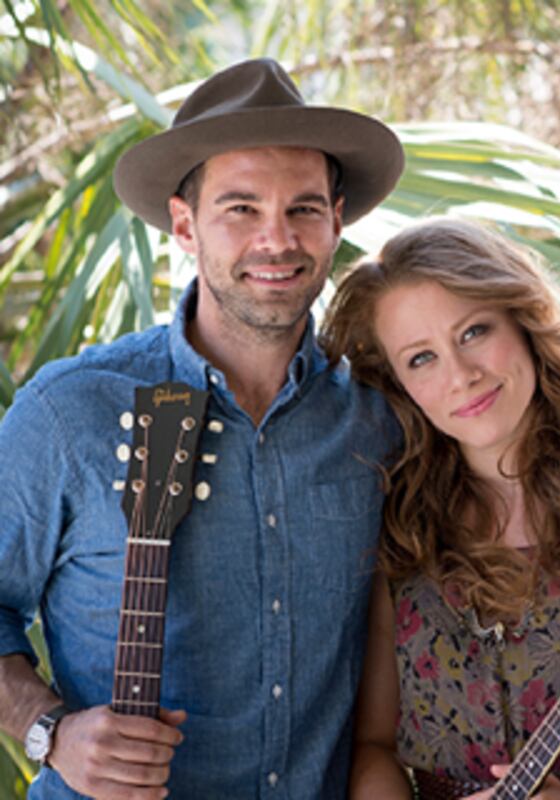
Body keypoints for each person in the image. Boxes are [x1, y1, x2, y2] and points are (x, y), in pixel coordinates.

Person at [0, 58, 404, 797]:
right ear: (185, 225)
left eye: (304, 209)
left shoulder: (381, 417)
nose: (276, 241)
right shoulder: (71, 412)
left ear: (337, 220)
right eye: (241, 209)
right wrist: (48, 730)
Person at [321, 219, 560, 800]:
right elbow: (375, 746)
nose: (462, 376)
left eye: (474, 331)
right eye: (421, 359)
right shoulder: (399, 528)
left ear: (523, 319)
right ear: (397, 383)